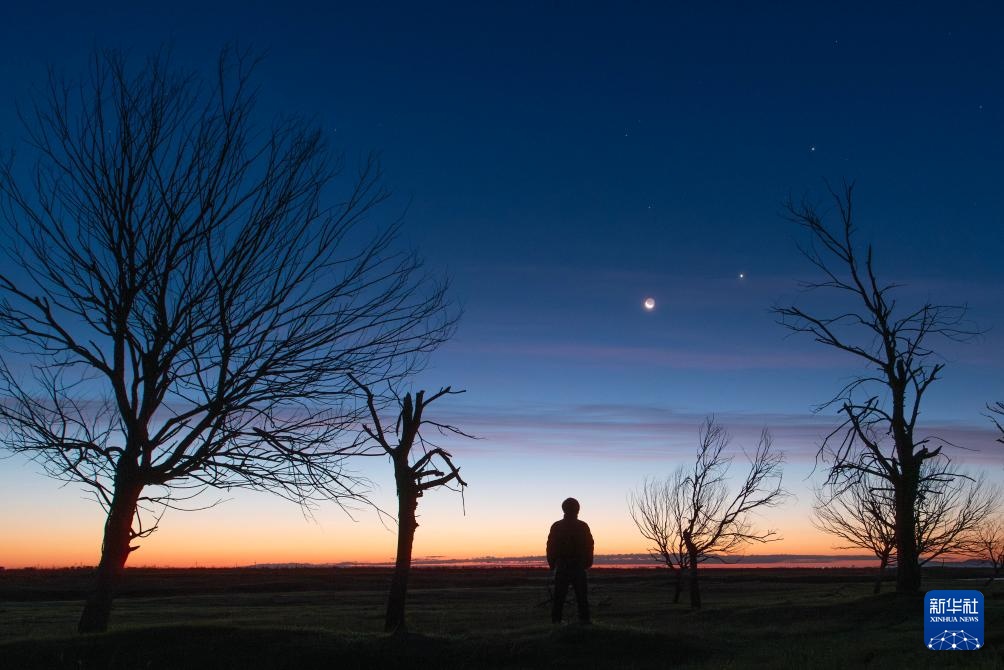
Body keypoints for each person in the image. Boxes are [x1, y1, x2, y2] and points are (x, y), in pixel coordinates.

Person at [546, 497, 594, 624]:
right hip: (576, 566)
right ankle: (584, 622)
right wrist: (587, 563)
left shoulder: (557, 526)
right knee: (580, 597)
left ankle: (557, 622)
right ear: (577, 510)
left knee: (560, 597)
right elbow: (589, 545)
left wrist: (552, 564)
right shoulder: (582, 526)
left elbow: (550, 547)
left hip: (565, 566)